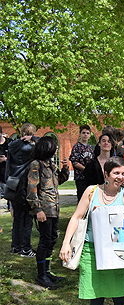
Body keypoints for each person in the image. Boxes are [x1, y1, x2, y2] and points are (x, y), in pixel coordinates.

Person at [60, 157, 124, 305]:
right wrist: (66, 243)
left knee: (119, 296)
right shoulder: (92, 191)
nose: (120, 177)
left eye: (123, 173)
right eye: (116, 173)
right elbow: (76, 217)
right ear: (106, 174)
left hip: (116, 252)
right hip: (91, 250)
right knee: (95, 297)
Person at [26, 137, 69, 289]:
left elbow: (60, 180)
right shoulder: (36, 165)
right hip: (44, 209)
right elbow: (31, 189)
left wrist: (65, 169)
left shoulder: (51, 165)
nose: (56, 148)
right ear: (47, 147)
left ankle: (48, 271)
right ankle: (41, 274)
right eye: (55, 146)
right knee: (45, 241)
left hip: (54, 209)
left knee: (52, 239)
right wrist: (37, 209)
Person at [5, 123, 39, 257]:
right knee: (27, 218)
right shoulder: (31, 147)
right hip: (25, 184)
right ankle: (25, 248)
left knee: (17, 218)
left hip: (13, 183)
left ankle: (15, 246)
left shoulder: (12, 145)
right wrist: (34, 140)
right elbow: (42, 145)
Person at [69, 125, 95, 201]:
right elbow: (74, 162)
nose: (85, 135)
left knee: (91, 199)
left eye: (87, 133)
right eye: (83, 133)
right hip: (80, 177)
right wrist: (85, 169)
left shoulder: (90, 147)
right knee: (82, 199)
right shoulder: (76, 146)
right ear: (80, 134)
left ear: (90, 135)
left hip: (90, 178)